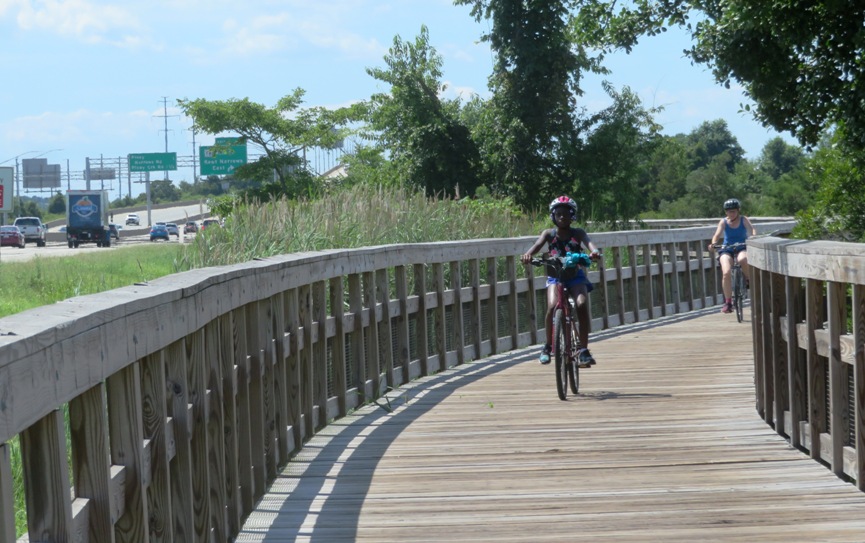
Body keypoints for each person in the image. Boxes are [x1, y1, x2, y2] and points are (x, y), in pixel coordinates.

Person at [521, 196, 601, 367]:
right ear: (553, 216)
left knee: (581, 304)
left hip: (575, 276)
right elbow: (536, 245)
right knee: (552, 307)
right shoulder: (549, 234)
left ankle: (583, 350)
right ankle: (548, 346)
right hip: (556, 276)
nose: (562, 217)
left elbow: (590, 244)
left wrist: (594, 253)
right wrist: (528, 254)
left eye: (566, 214)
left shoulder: (578, 233)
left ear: (572, 215)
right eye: (558, 214)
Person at [708, 198, 756, 314]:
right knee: (726, 272)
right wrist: (713, 244)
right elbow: (717, 234)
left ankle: (748, 278)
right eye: (729, 211)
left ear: (738, 211)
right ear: (726, 212)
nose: (731, 213)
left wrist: (753, 237)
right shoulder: (723, 222)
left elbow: (752, 229)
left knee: (743, 259)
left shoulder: (743, 220)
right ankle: (728, 302)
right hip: (727, 248)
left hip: (742, 246)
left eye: (734, 211)